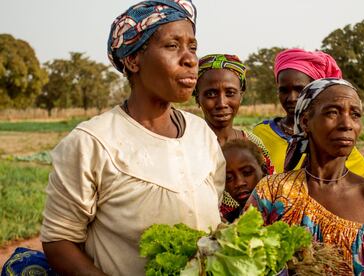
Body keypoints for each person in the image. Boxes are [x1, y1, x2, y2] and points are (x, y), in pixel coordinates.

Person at [40, 1, 225, 275]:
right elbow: (59, 240)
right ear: (133, 60)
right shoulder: (92, 142)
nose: (189, 59)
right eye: (172, 46)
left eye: (193, 47)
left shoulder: (200, 133)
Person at [246, 78, 364, 274]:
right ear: (305, 122)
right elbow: (245, 262)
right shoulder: (272, 191)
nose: (347, 124)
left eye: (355, 115)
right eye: (332, 112)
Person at [253, 48, 364, 176]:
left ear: (317, 92)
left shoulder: (333, 139)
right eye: (284, 90)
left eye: (300, 89)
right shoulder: (261, 134)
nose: (292, 98)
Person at [194, 53, 274, 175]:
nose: (222, 103)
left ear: (240, 97)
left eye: (230, 93)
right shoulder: (187, 144)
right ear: (197, 98)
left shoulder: (254, 143)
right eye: (211, 94)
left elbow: (269, 187)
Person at [220, 139, 266, 223]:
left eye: (247, 172)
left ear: (264, 171)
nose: (239, 183)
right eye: (228, 177)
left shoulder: (288, 212)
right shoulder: (226, 225)